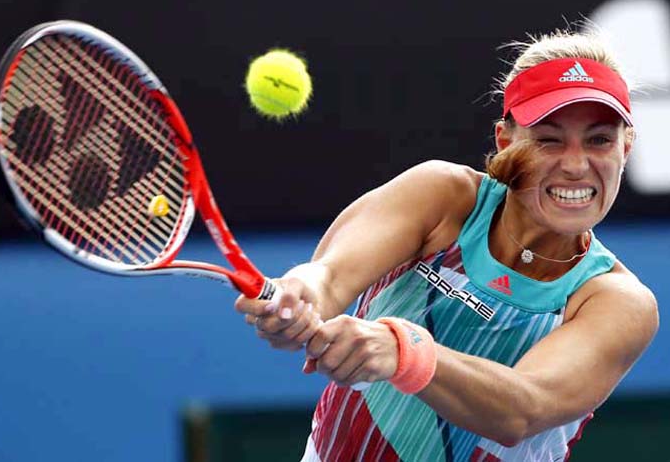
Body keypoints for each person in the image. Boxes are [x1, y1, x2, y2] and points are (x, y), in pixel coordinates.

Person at [235, 29, 659, 462]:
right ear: (506, 141)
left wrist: (404, 352)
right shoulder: (441, 195)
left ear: (625, 148)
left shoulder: (616, 301)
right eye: (549, 139)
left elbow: (524, 407)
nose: (574, 164)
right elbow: (329, 275)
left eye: (599, 140)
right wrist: (298, 297)